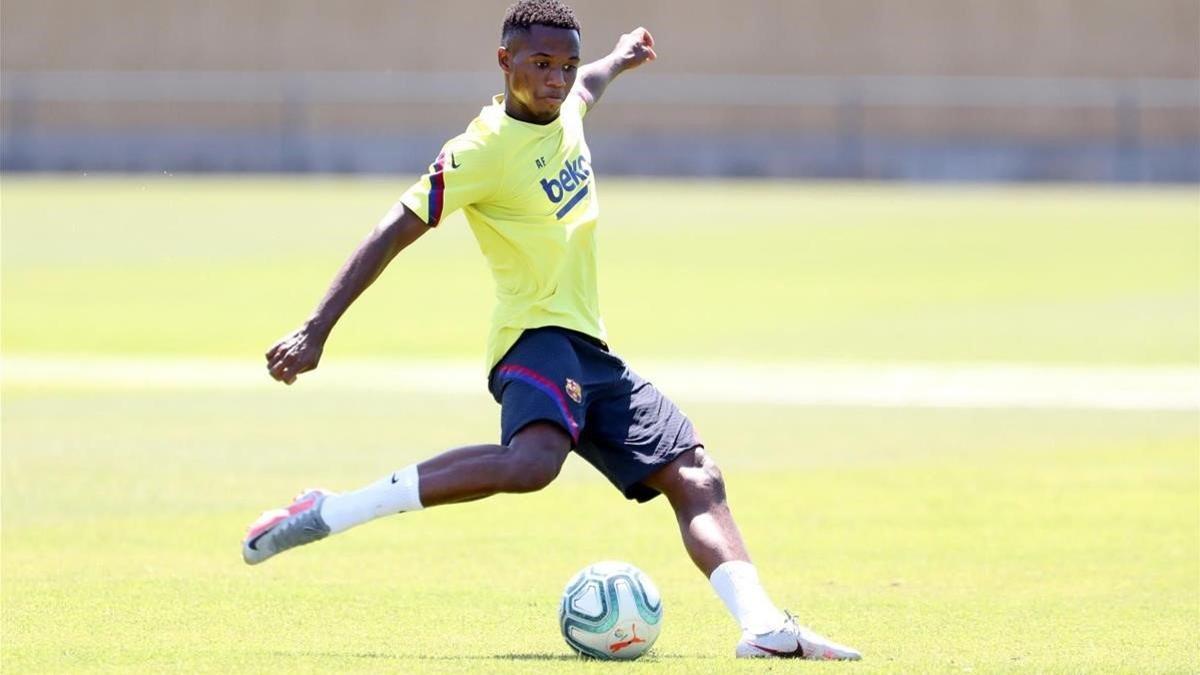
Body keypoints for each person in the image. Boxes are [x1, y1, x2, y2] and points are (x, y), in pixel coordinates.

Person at [242, 0, 860, 661]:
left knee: (697, 476)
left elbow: (589, 85)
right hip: (531, 337)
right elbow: (392, 231)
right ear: (504, 62)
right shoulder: (478, 152)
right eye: (539, 64)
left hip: (591, 349)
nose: (556, 79)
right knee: (534, 464)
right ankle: (334, 508)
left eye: (564, 64)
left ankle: (765, 628)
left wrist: (618, 58)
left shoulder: (566, 105)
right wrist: (315, 329)